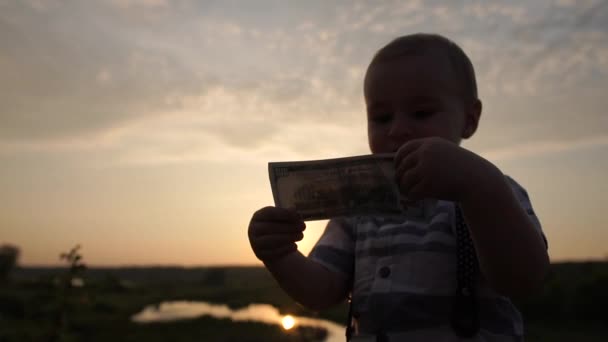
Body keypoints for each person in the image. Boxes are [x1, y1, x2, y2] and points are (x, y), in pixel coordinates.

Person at [248, 33, 549, 341]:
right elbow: (321, 292)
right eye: (381, 117)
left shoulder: (494, 192)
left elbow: (524, 280)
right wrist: (280, 254)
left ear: (469, 120)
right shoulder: (357, 211)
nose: (397, 129)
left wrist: (479, 187)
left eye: (421, 113)